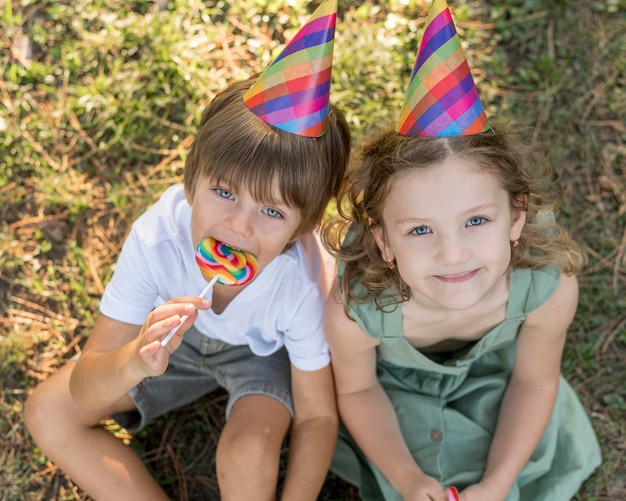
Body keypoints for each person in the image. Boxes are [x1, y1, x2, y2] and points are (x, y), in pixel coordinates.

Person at [25, 1, 350, 499]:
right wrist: (135, 359)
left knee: (248, 452)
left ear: (303, 227)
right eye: (224, 192)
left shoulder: (299, 286)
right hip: (170, 344)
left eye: (272, 212)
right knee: (47, 412)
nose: (239, 227)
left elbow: (319, 414)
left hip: (259, 356)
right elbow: (86, 383)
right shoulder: (157, 242)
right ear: (192, 178)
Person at [322, 1, 601, 500]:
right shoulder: (357, 308)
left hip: (501, 388)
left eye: (476, 221)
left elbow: (536, 383)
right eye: (420, 231)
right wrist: (407, 479)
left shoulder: (545, 285)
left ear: (516, 217)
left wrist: (497, 483)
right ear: (382, 239)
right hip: (393, 398)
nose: (454, 255)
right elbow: (359, 391)